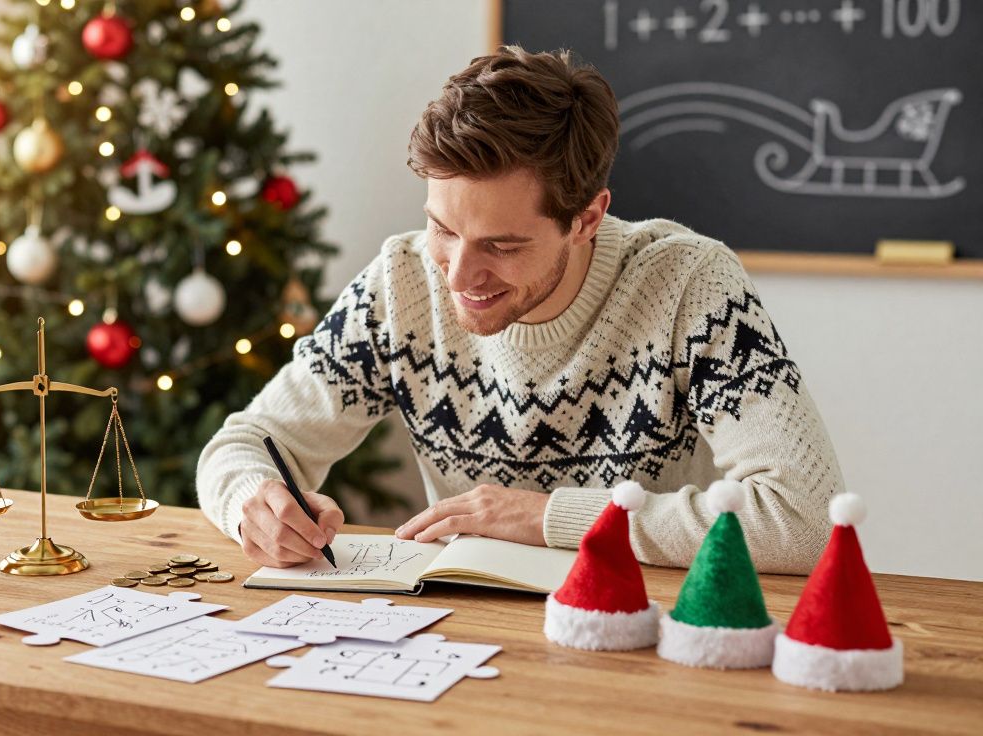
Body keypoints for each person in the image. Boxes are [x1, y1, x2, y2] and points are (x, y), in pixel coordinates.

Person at [196, 46, 843, 575]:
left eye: (502, 246)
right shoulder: (402, 282)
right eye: (442, 229)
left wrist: (544, 517)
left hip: (644, 630)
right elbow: (244, 444)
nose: (457, 273)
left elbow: (803, 517)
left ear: (587, 218)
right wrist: (253, 501)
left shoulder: (689, 284)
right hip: (460, 640)